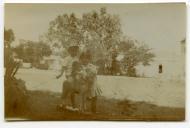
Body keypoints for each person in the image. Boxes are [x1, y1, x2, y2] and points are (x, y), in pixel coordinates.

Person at [56, 43, 79, 111]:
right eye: (72, 50)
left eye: (75, 50)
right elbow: (63, 67)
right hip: (69, 76)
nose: (74, 52)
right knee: (68, 89)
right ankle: (65, 104)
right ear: (69, 51)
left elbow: (78, 68)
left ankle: (73, 104)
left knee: (73, 90)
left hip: (76, 76)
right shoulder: (67, 58)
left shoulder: (77, 59)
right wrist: (60, 74)